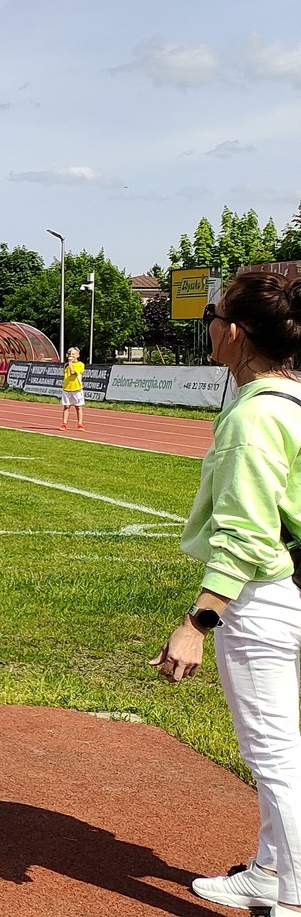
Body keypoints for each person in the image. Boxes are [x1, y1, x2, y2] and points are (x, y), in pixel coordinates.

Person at [149, 269, 301, 915]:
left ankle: (292, 895)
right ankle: (271, 871)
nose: (209, 326)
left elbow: (241, 537)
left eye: (215, 317)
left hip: (260, 598)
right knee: (280, 747)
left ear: (235, 334)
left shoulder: (254, 419)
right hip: (285, 588)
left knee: (272, 754)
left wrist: (197, 623)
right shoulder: (289, 402)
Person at [60, 346, 87, 431]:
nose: (71, 356)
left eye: (73, 354)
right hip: (67, 388)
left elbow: (73, 373)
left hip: (77, 389)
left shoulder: (80, 365)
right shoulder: (66, 365)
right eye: (70, 354)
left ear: (77, 355)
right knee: (66, 406)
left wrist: (71, 363)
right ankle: (64, 424)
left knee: (78, 407)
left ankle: (80, 424)